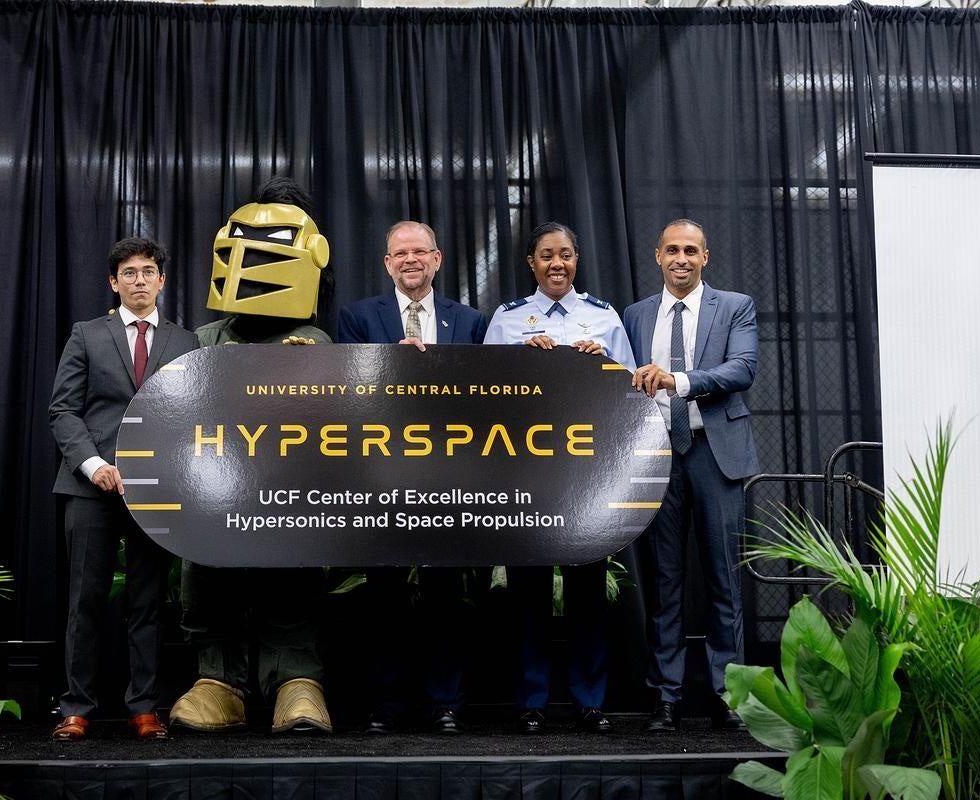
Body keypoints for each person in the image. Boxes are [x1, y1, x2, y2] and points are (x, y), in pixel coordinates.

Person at [169, 177, 334, 735]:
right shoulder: (206, 339)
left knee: (289, 579)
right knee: (211, 578)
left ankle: (296, 679)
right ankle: (220, 681)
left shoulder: (317, 342)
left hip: (290, 500)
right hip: (218, 495)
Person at [484, 221, 636, 734]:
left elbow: (633, 396)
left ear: (576, 261)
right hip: (527, 471)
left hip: (587, 475)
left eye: (566, 255)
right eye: (547, 255)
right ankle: (531, 702)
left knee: (587, 590)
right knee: (528, 591)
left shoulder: (604, 317)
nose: (557, 264)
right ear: (531, 262)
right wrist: (519, 365)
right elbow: (480, 394)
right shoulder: (507, 321)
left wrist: (605, 363)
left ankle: (590, 701)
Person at [337, 221, 488, 735]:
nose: (410, 260)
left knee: (447, 593)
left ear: (437, 259)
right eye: (399, 253)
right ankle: (386, 706)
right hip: (380, 474)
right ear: (387, 263)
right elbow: (345, 393)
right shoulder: (358, 318)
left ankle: (447, 704)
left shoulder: (469, 321)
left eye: (419, 251)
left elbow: (486, 395)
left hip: (449, 473)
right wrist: (387, 368)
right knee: (383, 595)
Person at [49, 237, 200, 741]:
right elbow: (64, 410)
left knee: (147, 603)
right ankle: (76, 708)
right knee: (84, 601)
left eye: (148, 271)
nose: (139, 280)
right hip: (91, 487)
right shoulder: (87, 335)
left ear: (161, 279)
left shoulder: (186, 343)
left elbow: (192, 418)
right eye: (129, 272)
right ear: (114, 283)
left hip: (156, 491)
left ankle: (144, 708)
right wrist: (93, 464)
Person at [623, 218, 758, 732]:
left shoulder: (734, 306)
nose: (682, 258)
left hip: (714, 453)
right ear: (657, 256)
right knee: (665, 581)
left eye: (691, 251)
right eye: (672, 250)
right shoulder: (635, 315)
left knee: (725, 579)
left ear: (706, 258)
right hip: (655, 456)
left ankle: (732, 696)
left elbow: (742, 369)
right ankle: (666, 697)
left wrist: (676, 380)